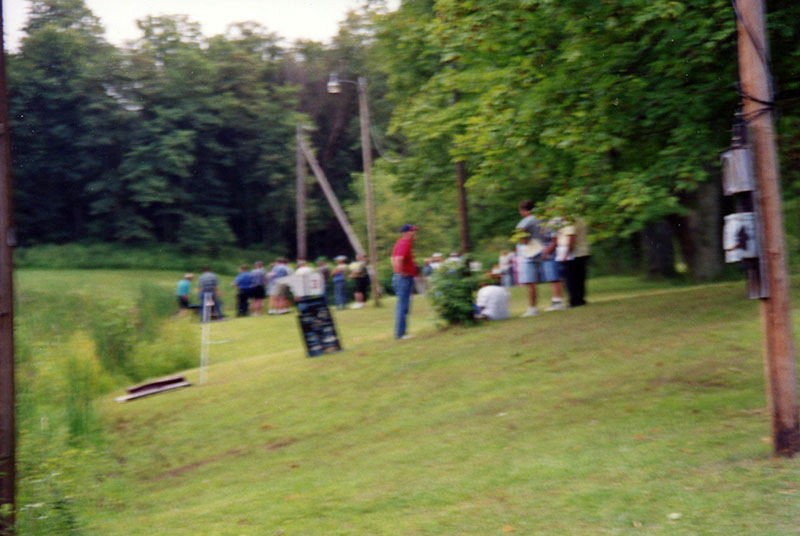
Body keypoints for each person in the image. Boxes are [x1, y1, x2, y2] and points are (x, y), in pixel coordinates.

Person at [514, 200, 559, 317]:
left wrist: (524, 241)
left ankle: (532, 308)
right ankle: (557, 300)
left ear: (524, 211)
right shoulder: (544, 220)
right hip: (545, 249)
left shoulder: (525, 221)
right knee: (553, 277)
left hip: (530, 253)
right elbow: (553, 236)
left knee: (530, 281)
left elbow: (520, 236)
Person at [391, 224, 419, 339]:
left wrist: (397, 272)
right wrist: (400, 272)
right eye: (413, 231)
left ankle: (401, 333)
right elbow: (398, 259)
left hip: (401, 277)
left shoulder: (400, 243)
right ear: (406, 233)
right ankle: (400, 334)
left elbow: (392, 258)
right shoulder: (405, 243)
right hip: (404, 278)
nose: (415, 233)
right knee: (403, 306)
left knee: (402, 305)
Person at [558, 217, 591, 307]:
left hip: (574, 253)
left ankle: (574, 300)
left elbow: (571, 237)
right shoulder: (581, 219)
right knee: (580, 278)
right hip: (583, 250)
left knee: (570, 278)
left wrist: (566, 254)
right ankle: (580, 299)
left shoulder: (569, 221)